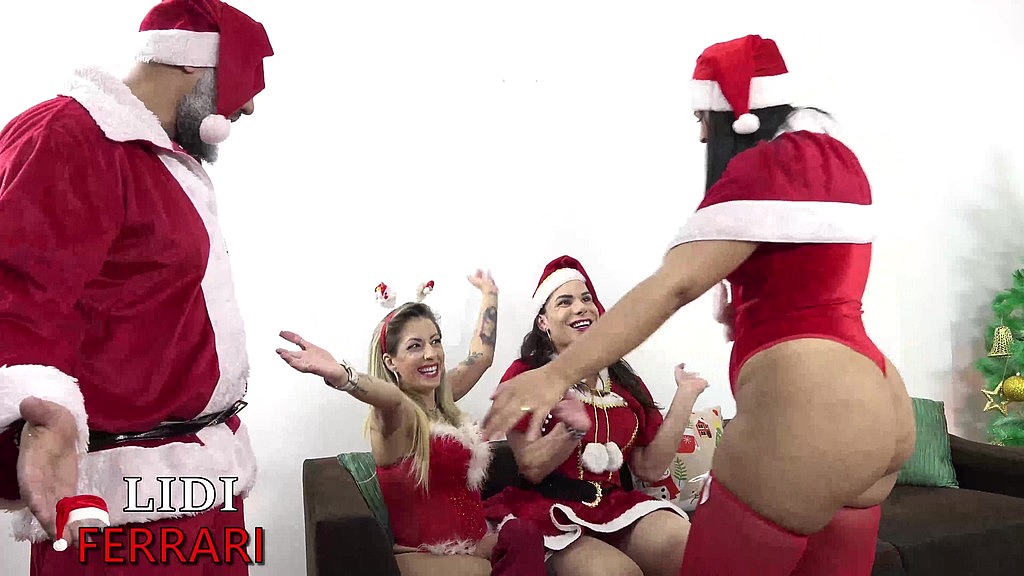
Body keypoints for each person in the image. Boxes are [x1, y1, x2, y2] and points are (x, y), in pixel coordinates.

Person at [482, 35, 916, 576]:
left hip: (813, 412)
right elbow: (814, 285)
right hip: (881, 403)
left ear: (738, 115)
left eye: (703, 117)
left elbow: (673, 287)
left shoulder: (767, 170)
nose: (702, 134)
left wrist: (556, 375)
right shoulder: (829, 162)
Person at [0, 0, 273, 573]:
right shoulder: (68, 135)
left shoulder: (166, 161)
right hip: (117, 509)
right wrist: (41, 414)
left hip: (202, 489)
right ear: (193, 62)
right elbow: (17, 288)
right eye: (246, 81)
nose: (249, 105)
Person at [276, 273, 546, 576]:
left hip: (475, 544)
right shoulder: (393, 417)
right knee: (481, 571)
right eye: (415, 346)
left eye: (435, 341)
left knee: (524, 534)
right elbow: (392, 399)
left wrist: (489, 293)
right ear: (390, 362)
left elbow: (480, 356)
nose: (430, 353)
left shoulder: (443, 394)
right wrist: (343, 375)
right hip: (425, 557)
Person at [483, 255, 707, 576]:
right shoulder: (527, 374)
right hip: (548, 510)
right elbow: (531, 467)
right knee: (615, 573)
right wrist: (569, 430)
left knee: (690, 546)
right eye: (565, 301)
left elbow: (650, 467)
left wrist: (685, 395)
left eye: (586, 299)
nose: (581, 307)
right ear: (543, 322)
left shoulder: (622, 380)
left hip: (615, 505)